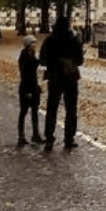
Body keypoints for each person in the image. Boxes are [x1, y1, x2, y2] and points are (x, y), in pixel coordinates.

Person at [39, 14, 84, 151]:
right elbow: (80, 61)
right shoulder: (74, 40)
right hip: (70, 77)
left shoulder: (50, 40)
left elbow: (42, 60)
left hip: (55, 77)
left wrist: (55, 63)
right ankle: (69, 138)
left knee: (52, 108)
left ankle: (49, 139)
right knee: (71, 109)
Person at [17, 38, 43, 147]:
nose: (34, 45)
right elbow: (25, 74)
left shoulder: (32, 55)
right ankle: (21, 136)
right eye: (32, 43)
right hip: (26, 88)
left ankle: (35, 134)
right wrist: (28, 91)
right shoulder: (24, 57)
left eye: (34, 43)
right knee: (23, 112)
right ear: (27, 45)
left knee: (34, 112)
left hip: (33, 87)